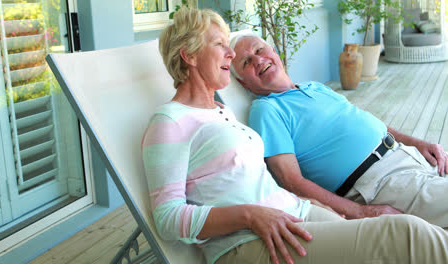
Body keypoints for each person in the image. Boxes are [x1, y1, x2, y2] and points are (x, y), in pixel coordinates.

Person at [142, 7, 448, 264]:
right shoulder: (170, 121)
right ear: (190, 56)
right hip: (248, 240)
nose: (231, 52)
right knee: (407, 234)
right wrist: (250, 216)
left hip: (294, 213)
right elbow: (168, 218)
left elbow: (251, 182)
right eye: (219, 45)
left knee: (411, 238)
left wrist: (314, 205)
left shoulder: (222, 114)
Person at [229, 32, 448, 226]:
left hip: (409, 156)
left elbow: (368, 122)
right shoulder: (267, 110)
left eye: (259, 49)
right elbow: (291, 181)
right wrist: (361, 212)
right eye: (246, 62)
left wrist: (419, 144)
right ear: (244, 84)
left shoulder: (314, 87)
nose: (258, 59)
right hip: (382, 183)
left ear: (274, 52)